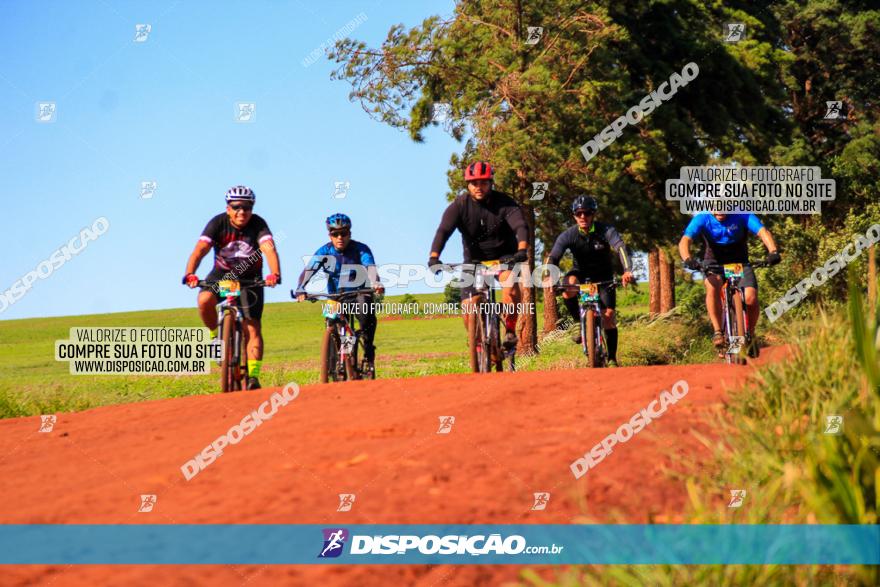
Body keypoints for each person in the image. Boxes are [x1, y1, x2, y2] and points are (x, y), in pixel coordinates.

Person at [183, 185, 281, 390]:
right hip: (221, 275)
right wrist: (190, 273)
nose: (242, 212)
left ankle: (253, 377)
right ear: (228, 208)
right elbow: (200, 249)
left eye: (247, 207)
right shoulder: (217, 223)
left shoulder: (258, 224)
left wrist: (275, 273)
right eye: (236, 207)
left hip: (250, 279)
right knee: (204, 301)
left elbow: (269, 248)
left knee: (252, 327)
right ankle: (214, 335)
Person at [428, 161, 529, 352]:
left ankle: (510, 330)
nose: (479, 187)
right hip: (473, 261)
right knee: (468, 307)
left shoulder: (505, 203)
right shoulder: (459, 206)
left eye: (483, 182)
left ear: (491, 183)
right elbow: (443, 231)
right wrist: (434, 257)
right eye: (474, 183)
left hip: (504, 257)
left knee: (511, 288)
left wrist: (522, 250)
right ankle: (478, 344)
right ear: (468, 185)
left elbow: (520, 226)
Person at [546, 195, 635, 366]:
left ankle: (612, 358)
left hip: (603, 277)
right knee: (568, 286)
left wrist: (627, 270)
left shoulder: (605, 230)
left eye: (586, 213)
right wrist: (550, 277)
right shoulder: (568, 235)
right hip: (580, 274)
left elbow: (620, 247)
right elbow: (554, 256)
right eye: (578, 213)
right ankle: (578, 324)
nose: (582, 217)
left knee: (608, 316)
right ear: (574, 215)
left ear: (593, 214)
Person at [678, 212, 781, 357]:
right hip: (714, 264)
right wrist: (688, 258)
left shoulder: (742, 215)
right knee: (712, 285)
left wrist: (773, 251)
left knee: (750, 298)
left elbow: (762, 232)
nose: (720, 211)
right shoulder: (702, 218)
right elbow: (685, 240)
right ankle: (718, 332)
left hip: (738, 264)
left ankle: (749, 335)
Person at [295, 213, 384, 370]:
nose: (339, 237)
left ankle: (368, 350)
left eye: (343, 233)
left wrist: (376, 281)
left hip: (359, 293)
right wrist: (301, 288)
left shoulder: (360, 249)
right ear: (329, 235)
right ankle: (337, 359)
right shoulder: (325, 251)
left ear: (350, 233)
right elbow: (309, 270)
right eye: (335, 234)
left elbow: (370, 267)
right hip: (336, 297)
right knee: (331, 323)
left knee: (366, 314)